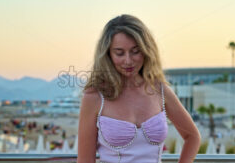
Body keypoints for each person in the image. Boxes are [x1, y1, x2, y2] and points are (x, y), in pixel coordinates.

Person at [77, 14, 201, 163]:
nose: (128, 60)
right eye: (119, 53)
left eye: (135, 51)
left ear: (146, 50)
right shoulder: (95, 97)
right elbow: (85, 160)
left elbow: (192, 136)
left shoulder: (160, 90)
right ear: (108, 54)